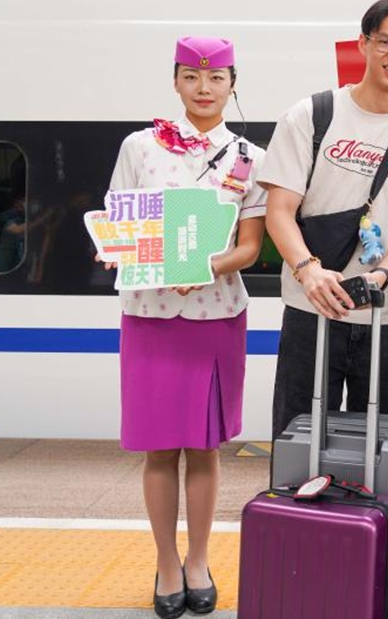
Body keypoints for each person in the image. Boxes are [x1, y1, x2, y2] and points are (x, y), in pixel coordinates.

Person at [105, 36, 267, 619]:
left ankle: (198, 560)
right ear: (175, 81)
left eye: (216, 78)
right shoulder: (140, 147)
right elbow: (117, 222)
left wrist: (203, 267)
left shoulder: (249, 155)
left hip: (215, 313)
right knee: (157, 449)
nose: (204, 88)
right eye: (192, 78)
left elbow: (250, 248)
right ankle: (166, 563)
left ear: (231, 84)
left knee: (203, 447)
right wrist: (129, 253)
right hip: (149, 313)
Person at [260, 0, 388, 439]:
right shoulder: (311, 115)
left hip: (383, 316)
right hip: (309, 309)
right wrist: (309, 272)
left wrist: (382, 276)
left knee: (380, 449)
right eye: (385, 41)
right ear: (363, 44)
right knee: (298, 441)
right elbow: (279, 212)